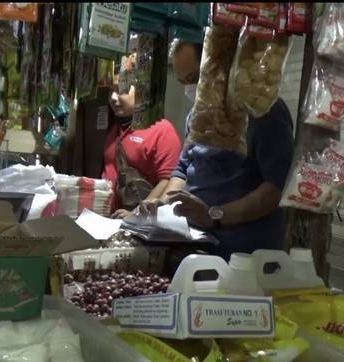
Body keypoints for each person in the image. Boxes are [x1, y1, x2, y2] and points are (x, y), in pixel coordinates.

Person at [142, 40, 295, 261]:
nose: (190, 89)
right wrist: (164, 203)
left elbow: (274, 190)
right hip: (195, 247)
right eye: (183, 82)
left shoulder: (265, 112)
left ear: (219, 67)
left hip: (243, 258)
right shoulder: (198, 116)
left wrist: (214, 214)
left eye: (194, 79)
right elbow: (183, 169)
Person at [102, 56, 182, 219]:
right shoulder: (115, 129)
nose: (113, 98)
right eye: (112, 90)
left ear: (141, 90)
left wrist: (136, 214)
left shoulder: (161, 129)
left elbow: (168, 181)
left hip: (141, 224)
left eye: (122, 91)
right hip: (109, 221)